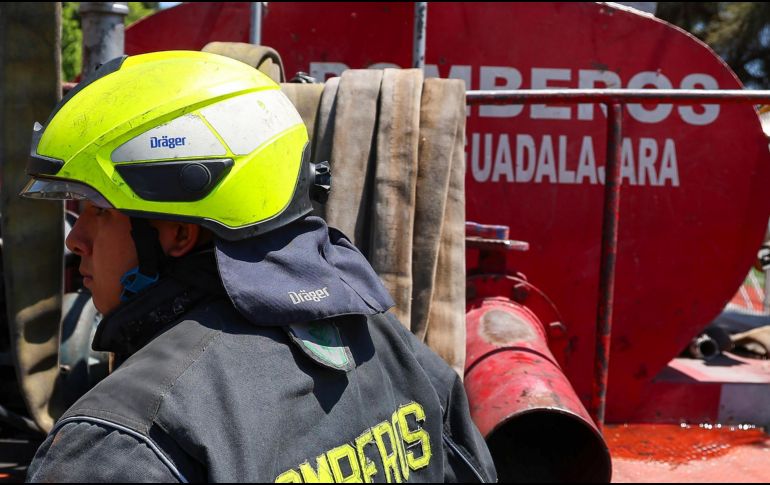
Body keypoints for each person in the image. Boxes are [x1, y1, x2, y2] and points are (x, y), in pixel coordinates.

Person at [23, 51, 496, 482]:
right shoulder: (391, 346)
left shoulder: (119, 444)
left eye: (98, 212)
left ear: (178, 233)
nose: (75, 239)